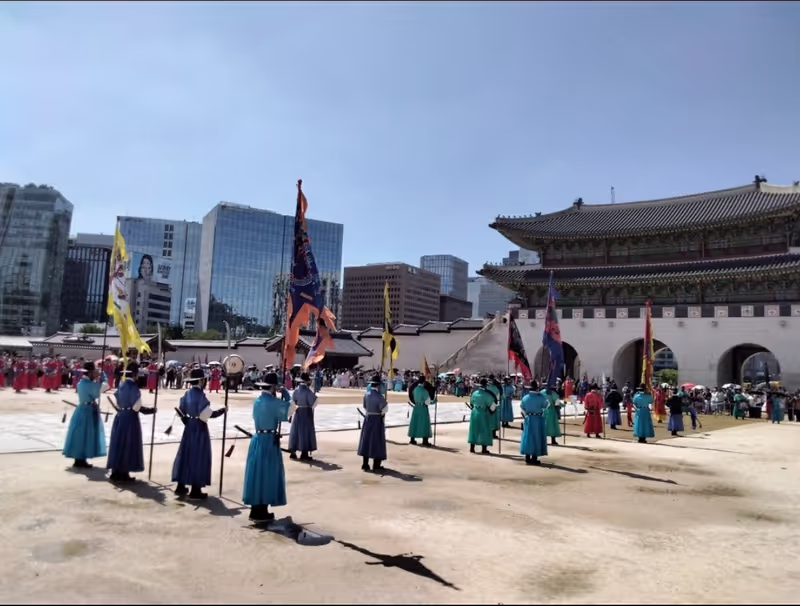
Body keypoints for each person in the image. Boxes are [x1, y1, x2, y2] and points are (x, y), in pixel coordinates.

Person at [243, 372, 293, 522]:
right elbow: (290, 409)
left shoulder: (258, 401)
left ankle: (255, 509)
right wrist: (287, 395)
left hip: (258, 439)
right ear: (272, 387)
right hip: (268, 441)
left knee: (256, 474)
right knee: (267, 474)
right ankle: (262, 510)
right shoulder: (273, 402)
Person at [172, 368, 226, 500]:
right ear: (201, 380)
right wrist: (222, 411)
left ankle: (180, 485)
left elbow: (181, 410)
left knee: (185, 454)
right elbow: (207, 414)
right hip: (199, 428)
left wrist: (186, 419)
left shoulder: (187, 394)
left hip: (189, 426)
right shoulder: (200, 396)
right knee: (198, 456)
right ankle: (195, 489)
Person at [106, 361, 155, 483]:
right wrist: (151, 410)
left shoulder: (121, 385)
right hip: (130, 418)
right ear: (134, 374)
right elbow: (136, 406)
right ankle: (124, 473)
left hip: (120, 415)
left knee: (118, 443)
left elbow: (117, 399)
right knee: (128, 444)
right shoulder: (133, 388)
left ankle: (116, 472)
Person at [62, 361, 106, 469]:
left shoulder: (81, 382)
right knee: (86, 434)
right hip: (88, 410)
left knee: (80, 434)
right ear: (90, 373)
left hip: (82, 409)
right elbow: (100, 391)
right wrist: (104, 379)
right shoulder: (89, 384)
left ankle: (79, 458)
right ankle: (81, 459)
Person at [358, 374, 388, 471]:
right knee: (377, 441)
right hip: (376, 419)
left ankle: (365, 464)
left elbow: (365, 406)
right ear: (378, 386)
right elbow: (384, 409)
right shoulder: (379, 396)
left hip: (368, 418)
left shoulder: (366, 394)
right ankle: (376, 464)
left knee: (366, 440)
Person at [288, 372, 318, 461]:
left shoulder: (296, 390)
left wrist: (290, 414)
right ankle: (304, 452)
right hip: (306, 412)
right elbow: (314, 402)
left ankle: (293, 451)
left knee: (295, 430)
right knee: (305, 431)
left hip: (297, 411)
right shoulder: (308, 391)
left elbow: (293, 402)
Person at [519, 381, 547, 466]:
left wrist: (524, 419)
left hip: (528, 418)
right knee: (536, 437)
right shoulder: (541, 397)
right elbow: (546, 405)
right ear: (537, 388)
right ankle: (534, 458)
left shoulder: (525, 398)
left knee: (528, 437)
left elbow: (522, 410)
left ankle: (527, 457)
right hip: (537, 419)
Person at [467, 378, 497, 454]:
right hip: (483, 413)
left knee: (473, 429)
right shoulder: (487, 395)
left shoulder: (475, 393)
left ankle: (472, 448)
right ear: (486, 385)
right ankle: (484, 448)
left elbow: (471, 403)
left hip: (474, 412)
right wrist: (493, 411)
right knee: (485, 430)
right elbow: (492, 405)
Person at [408, 376, 434, 446]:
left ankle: (412, 439)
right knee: (424, 423)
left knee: (415, 423)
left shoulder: (415, 389)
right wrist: (433, 402)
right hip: (423, 408)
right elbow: (427, 402)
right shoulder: (424, 391)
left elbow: (412, 397)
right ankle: (425, 440)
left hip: (416, 407)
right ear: (424, 382)